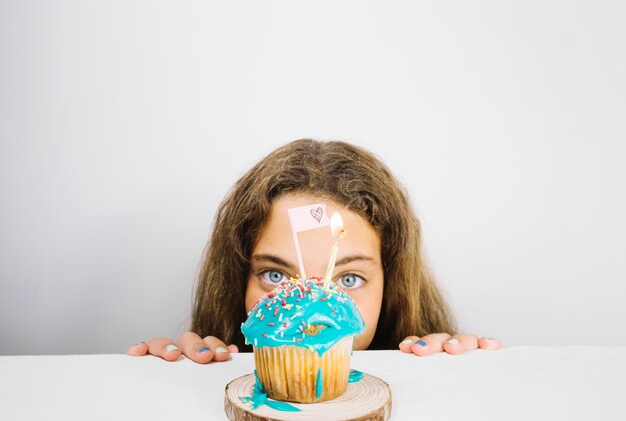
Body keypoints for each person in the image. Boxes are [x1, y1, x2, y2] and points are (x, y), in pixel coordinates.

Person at [126, 139, 500, 364]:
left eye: (349, 279)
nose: (310, 316)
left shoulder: (430, 374)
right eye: (276, 276)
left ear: (393, 286)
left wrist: (456, 384)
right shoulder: (210, 376)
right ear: (235, 282)